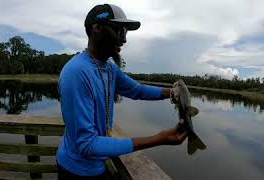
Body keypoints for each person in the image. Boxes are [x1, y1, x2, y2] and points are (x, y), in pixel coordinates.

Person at [57, 4, 187, 179]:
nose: (124, 39)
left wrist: (173, 92)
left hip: (99, 165)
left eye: (125, 32)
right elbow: (87, 144)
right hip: (76, 171)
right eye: (119, 30)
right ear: (97, 29)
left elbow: (137, 90)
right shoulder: (76, 72)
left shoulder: (109, 69)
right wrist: (158, 139)